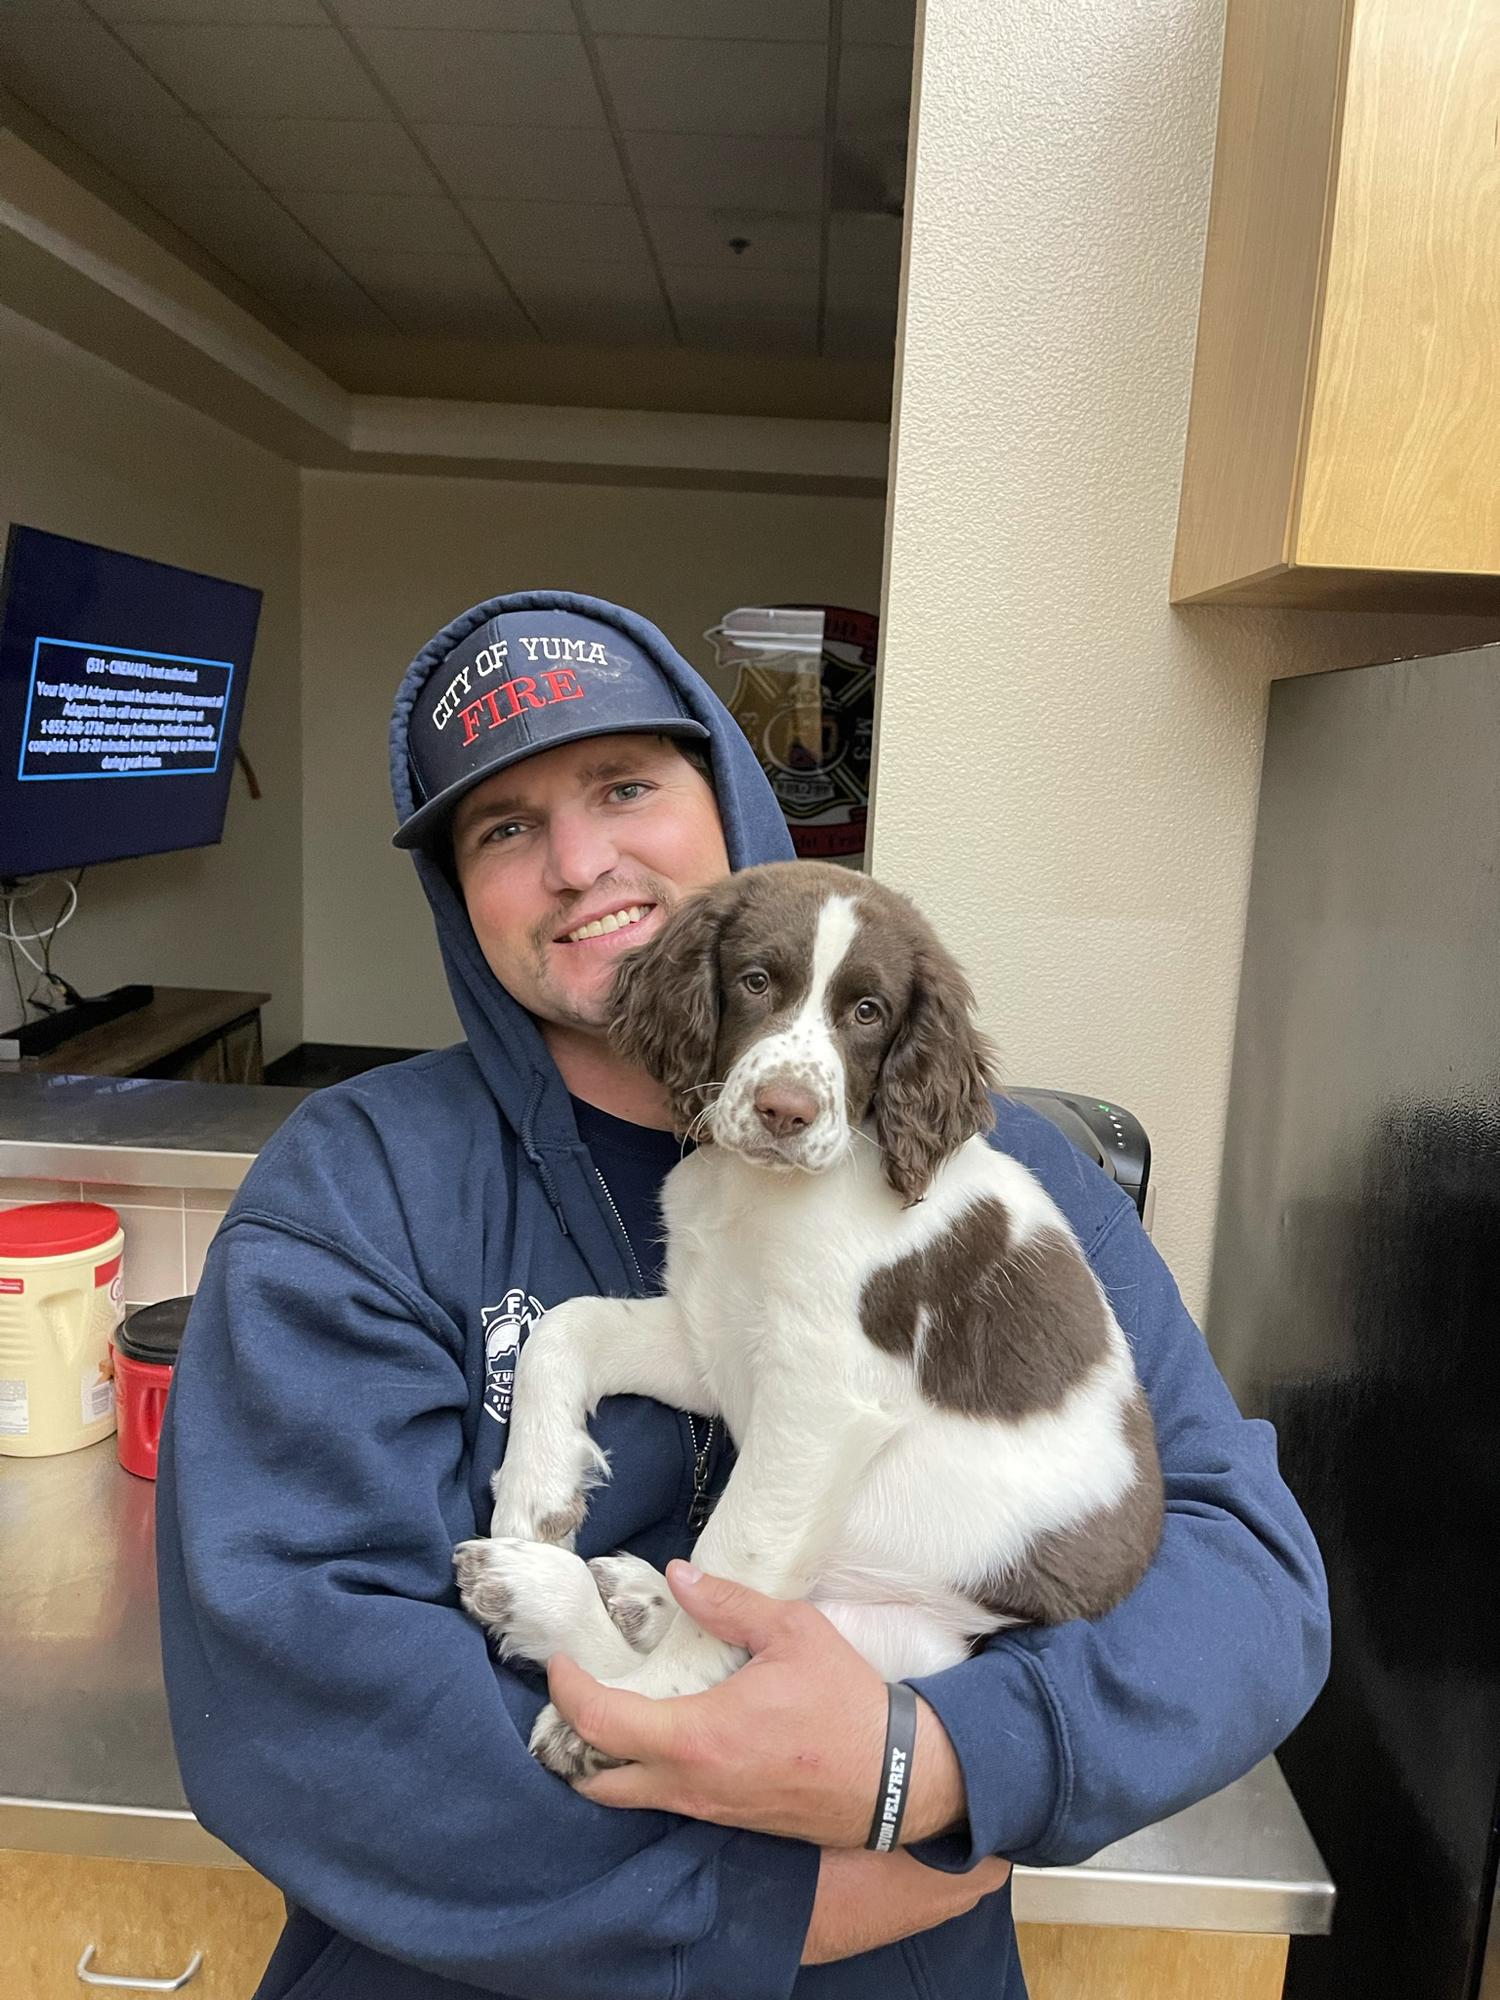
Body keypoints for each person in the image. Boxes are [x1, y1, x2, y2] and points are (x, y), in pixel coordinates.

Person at [157, 590, 1330, 2000]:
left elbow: (1246, 1575)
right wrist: (785, 1901)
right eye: (505, 828)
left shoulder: (989, 1171)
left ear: (728, 805)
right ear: (459, 896)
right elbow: (298, 1699)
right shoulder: (356, 1192)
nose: (582, 861)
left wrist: (936, 1765)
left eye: (626, 785)